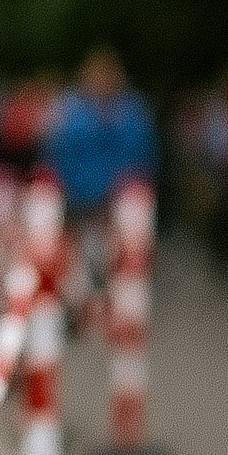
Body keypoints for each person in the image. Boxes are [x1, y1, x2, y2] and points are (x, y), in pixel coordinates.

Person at [41, 47, 157, 287]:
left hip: (118, 197)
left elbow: (141, 156)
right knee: (80, 254)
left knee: (118, 256)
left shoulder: (131, 109)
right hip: (78, 194)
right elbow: (57, 152)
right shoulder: (69, 108)